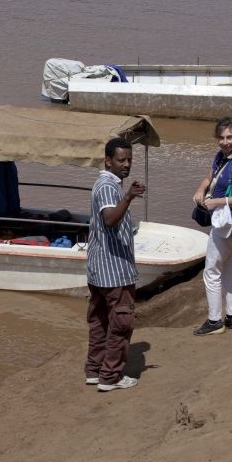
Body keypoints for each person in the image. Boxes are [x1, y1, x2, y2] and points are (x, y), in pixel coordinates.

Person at [85, 137, 146, 391]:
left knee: (100, 321)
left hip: (99, 269)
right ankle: (110, 377)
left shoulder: (106, 184)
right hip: (114, 271)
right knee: (120, 323)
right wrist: (129, 197)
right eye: (121, 160)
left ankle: (94, 369)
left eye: (129, 159)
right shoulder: (109, 187)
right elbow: (110, 219)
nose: (126, 164)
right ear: (108, 161)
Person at [192, 117, 232, 335]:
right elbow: (208, 179)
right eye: (222, 137)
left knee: (211, 271)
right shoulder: (221, 157)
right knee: (226, 268)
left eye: (230, 137)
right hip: (223, 220)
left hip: (227, 222)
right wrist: (200, 190)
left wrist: (216, 201)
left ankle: (215, 321)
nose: (226, 142)